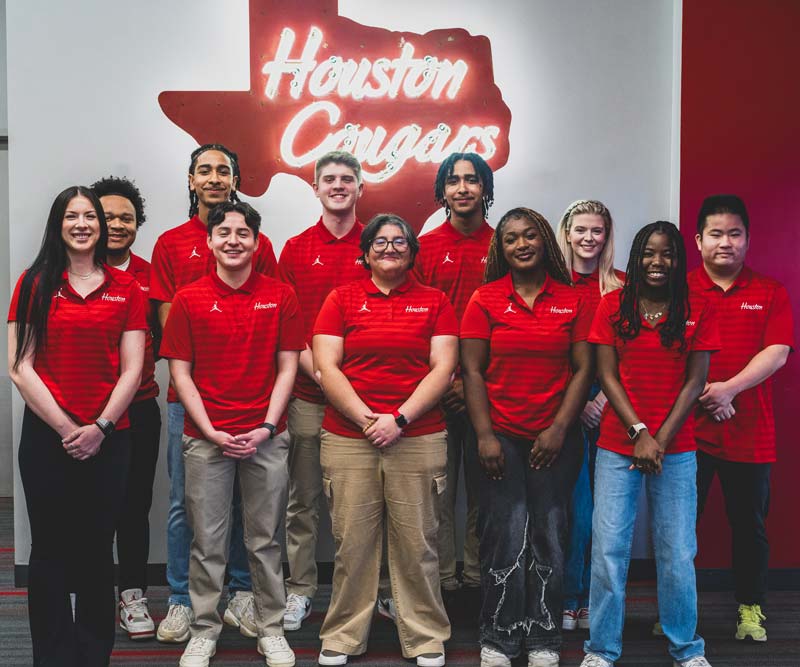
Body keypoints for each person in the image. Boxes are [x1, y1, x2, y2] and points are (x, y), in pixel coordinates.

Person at [160, 201, 303, 667]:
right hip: (207, 439)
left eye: (243, 233)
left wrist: (264, 426)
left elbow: (287, 368)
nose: (233, 240)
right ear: (210, 241)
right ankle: (204, 628)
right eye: (224, 232)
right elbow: (181, 376)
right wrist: (211, 432)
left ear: (257, 242)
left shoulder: (281, 296)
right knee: (208, 540)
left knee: (265, 539)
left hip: (266, 435)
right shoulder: (188, 298)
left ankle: (271, 627)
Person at [8, 186, 146, 666]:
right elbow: (20, 366)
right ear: (58, 224)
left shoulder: (127, 288)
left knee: (95, 548)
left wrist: (101, 427)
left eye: (90, 216)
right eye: (73, 215)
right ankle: (53, 654)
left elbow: (132, 368)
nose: (83, 223)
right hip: (48, 438)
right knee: (47, 547)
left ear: (101, 226)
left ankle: (91, 654)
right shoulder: (33, 283)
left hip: (111, 437)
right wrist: (70, 428)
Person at [313, 214, 458, 667]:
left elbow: (443, 368)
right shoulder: (340, 298)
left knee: (418, 542)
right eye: (380, 241)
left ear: (413, 251)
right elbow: (326, 368)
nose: (390, 248)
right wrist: (366, 420)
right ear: (366, 252)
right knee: (352, 543)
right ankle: (342, 635)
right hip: (349, 437)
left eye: (399, 241)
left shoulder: (435, 301)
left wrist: (398, 418)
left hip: (417, 435)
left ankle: (425, 635)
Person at [150, 144, 278, 642]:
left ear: (235, 178)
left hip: (248, 397)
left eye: (224, 169)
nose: (214, 177)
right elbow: (167, 326)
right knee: (187, 503)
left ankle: (242, 593)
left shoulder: (256, 241)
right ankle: (181, 600)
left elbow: (266, 314)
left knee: (248, 502)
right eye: (204, 170)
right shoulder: (170, 243)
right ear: (190, 180)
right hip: (190, 401)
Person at [460, 207, 593, 667]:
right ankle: (498, 636)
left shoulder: (572, 299)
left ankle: (543, 639)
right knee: (503, 531)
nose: (521, 244)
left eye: (530, 236)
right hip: (500, 438)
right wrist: (484, 436)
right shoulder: (485, 299)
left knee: (550, 534)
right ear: (502, 247)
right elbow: (472, 372)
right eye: (512, 237)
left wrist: (558, 429)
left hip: (556, 438)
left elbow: (583, 370)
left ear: (545, 242)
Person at [581, 221, 718, 667]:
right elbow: (606, 375)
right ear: (636, 256)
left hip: (676, 448)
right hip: (618, 446)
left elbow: (696, 381)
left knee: (678, 551)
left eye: (668, 254)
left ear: (680, 261)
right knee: (607, 550)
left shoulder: (697, 307)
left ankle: (686, 648)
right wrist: (639, 432)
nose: (657, 263)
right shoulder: (611, 305)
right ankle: (601, 649)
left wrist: (658, 438)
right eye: (648, 253)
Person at [689, 195, 793, 643]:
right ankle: (679, 610)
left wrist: (728, 389)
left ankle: (751, 608)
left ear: (747, 240)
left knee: (750, 527)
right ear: (698, 241)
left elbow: (778, 352)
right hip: (685, 433)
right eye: (716, 234)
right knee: (678, 528)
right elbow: (664, 352)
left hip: (750, 432)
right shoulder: (679, 289)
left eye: (734, 234)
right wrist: (707, 396)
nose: (725, 243)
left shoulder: (769, 292)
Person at [277, 150, 366, 632]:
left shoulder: (379, 244)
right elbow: (288, 330)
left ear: (360, 189)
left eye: (346, 179)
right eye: (328, 179)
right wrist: (326, 379)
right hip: (310, 397)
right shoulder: (294, 248)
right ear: (315, 188)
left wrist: (353, 391)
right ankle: (301, 591)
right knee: (303, 501)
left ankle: (379, 592)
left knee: (365, 505)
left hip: (371, 401)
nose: (337, 185)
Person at [412, 152, 495, 593]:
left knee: (485, 493)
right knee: (437, 495)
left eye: (472, 180)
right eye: (454, 181)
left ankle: (480, 578)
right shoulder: (425, 247)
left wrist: (473, 382)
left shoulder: (504, 243)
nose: (463, 188)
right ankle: (442, 580)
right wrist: (445, 381)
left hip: (487, 391)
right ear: (442, 191)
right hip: (437, 393)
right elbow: (418, 322)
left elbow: (508, 322)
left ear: (485, 188)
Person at [90, 176, 162, 641]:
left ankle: (132, 595)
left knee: (134, 507)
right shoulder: (68, 270)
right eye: (107, 216)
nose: (116, 224)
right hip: (83, 413)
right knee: (90, 507)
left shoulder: (151, 273)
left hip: (140, 408)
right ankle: (93, 591)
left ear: (138, 225)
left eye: (126, 218)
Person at [555, 200, 624, 631]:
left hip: (613, 405)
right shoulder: (552, 284)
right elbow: (545, 350)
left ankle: (595, 600)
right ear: (566, 233)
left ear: (607, 235)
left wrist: (603, 401)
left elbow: (632, 355)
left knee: (607, 513)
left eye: (597, 231)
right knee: (573, 510)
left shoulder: (621, 287)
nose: (588, 238)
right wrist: (578, 401)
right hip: (565, 404)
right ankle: (568, 596)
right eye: (580, 230)